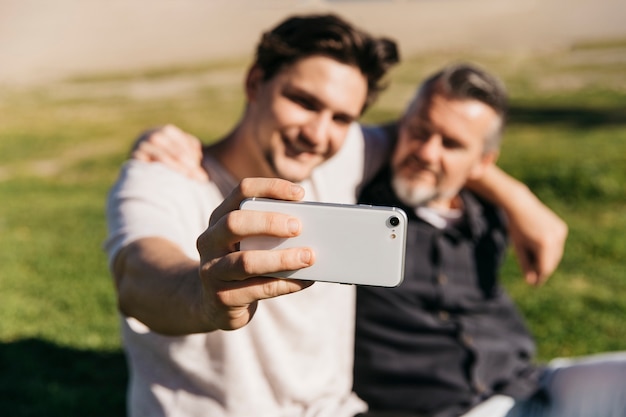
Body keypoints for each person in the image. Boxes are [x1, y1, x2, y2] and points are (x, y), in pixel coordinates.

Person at [108, 13, 567, 417]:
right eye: (303, 102)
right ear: (254, 83)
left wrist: (519, 199)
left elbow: (441, 145)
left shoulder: (342, 154)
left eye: (341, 118)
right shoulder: (162, 178)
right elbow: (139, 278)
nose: (318, 134)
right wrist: (204, 294)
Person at [352, 64, 626, 417]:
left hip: (533, 385)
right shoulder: (360, 207)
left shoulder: (486, 213)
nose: (427, 152)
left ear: (483, 162)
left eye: (451, 143)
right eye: (420, 130)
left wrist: (516, 197)